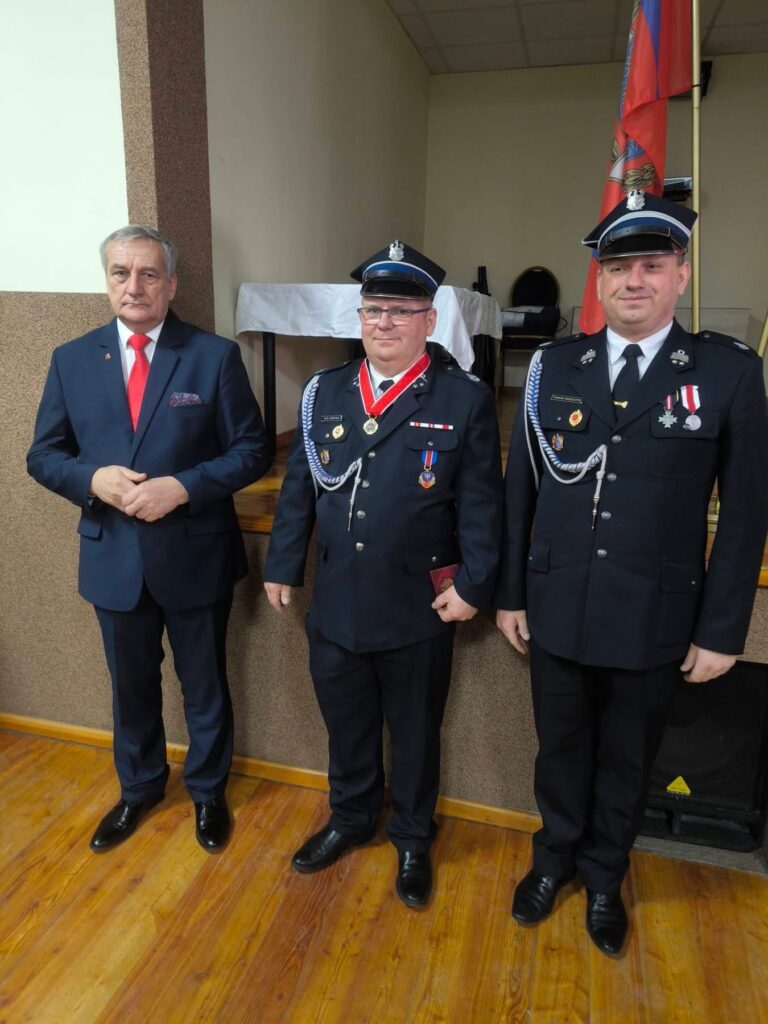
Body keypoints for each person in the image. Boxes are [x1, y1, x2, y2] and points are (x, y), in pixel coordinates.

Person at [495, 193, 768, 955]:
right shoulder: (554, 366)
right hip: (557, 601)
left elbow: (745, 516)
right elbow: (521, 494)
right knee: (559, 749)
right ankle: (552, 861)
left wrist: (722, 631)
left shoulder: (727, 372)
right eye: (618, 268)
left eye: (651, 265)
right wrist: (511, 595)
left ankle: (604, 877)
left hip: (655, 612)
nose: (634, 281)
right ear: (600, 280)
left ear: (681, 275)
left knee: (626, 758)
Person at [263, 241, 502, 907]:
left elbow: (483, 504)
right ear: (359, 316)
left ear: (430, 320)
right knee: (347, 722)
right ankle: (350, 817)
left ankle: (414, 836)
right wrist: (282, 564)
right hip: (337, 597)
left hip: (418, 606)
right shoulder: (325, 391)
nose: (385, 322)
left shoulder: (463, 398)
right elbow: (300, 487)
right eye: (374, 309)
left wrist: (474, 584)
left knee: (416, 732)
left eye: (401, 310)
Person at [27, 225, 269, 854]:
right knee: (130, 687)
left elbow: (251, 451)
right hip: (113, 557)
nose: (133, 286)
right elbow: (43, 456)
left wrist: (182, 487)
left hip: (195, 553)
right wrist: (92, 480)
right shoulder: (71, 360)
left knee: (204, 685)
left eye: (148, 274)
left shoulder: (213, 357)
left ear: (171, 284)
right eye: (120, 273)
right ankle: (139, 788)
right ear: (107, 281)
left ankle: (208, 792)